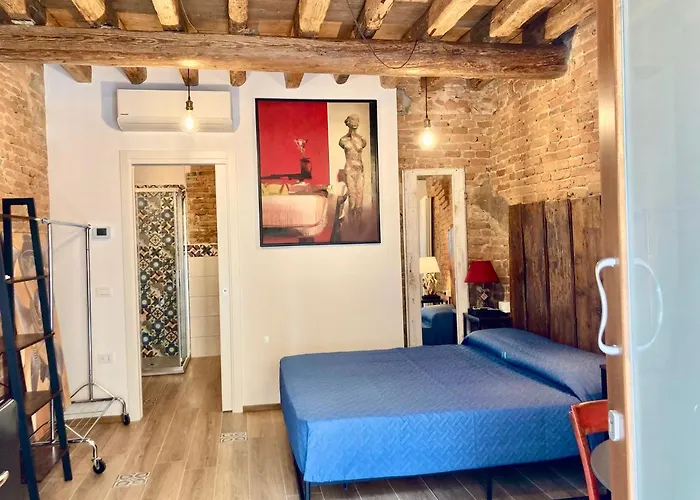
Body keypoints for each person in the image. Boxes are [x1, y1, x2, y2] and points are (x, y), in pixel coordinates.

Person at [338, 114, 367, 224]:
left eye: (357, 120)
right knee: (352, 197)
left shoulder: (362, 139)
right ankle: (351, 224)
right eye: (353, 120)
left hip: (359, 169)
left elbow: (361, 146)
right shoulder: (343, 140)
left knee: (359, 198)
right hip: (349, 169)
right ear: (348, 122)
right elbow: (344, 144)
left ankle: (358, 224)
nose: (355, 122)